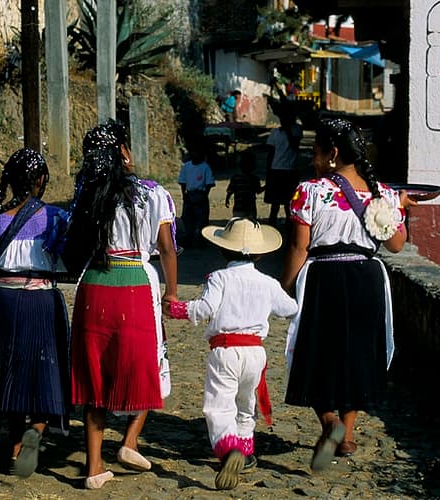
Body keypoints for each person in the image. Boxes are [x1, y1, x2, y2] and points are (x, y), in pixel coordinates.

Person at [281, 118, 416, 471]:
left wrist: (286, 286)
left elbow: (299, 247)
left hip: (324, 276)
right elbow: (397, 245)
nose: (312, 159)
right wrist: (399, 208)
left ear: (333, 154)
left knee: (317, 351)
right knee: (357, 351)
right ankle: (349, 433)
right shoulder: (383, 194)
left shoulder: (308, 191)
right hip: (367, 278)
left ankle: (330, 422)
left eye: (316, 152)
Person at [62, 120, 178, 490]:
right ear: (124, 154)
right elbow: (167, 248)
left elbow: (72, 251)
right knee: (145, 364)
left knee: (94, 376)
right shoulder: (152, 193)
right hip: (134, 284)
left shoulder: (88, 195)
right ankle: (129, 440)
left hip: (94, 285)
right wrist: (172, 292)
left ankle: (94, 466)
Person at [164, 217, 297, 490]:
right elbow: (291, 309)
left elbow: (204, 309)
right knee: (246, 403)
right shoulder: (268, 283)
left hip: (225, 350)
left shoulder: (219, 278)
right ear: (260, 253)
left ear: (222, 249)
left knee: (219, 405)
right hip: (255, 353)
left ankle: (228, 449)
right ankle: (246, 452)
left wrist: (176, 310)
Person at [0, 148, 71, 479]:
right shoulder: (56, 219)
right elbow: (69, 260)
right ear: (41, 180)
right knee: (45, 370)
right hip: (42, 299)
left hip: (4, 302)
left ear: (10, 181)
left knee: (10, 373)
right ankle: (37, 430)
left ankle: (14, 449)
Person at [264, 107, 303, 227]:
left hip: (288, 170)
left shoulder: (296, 130)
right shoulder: (275, 132)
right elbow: (271, 152)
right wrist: (268, 170)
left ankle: (289, 225)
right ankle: (273, 224)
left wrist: (287, 131)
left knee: (288, 203)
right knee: (275, 204)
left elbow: (294, 145)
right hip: (278, 169)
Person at [178, 148, 216, 247]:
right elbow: (182, 182)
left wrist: (204, 196)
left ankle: (202, 239)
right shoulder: (186, 167)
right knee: (188, 218)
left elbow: (209, 184)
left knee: (202, 219)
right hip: (189, 194)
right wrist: (184, 195)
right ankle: (189, 238)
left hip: (200, 194)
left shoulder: (205, 167)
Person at [225, 151, 264, 219]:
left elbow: (230, 191)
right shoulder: (254, 179)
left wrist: (227, 199)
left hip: (238, 209)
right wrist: (267, 186)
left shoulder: (235, 178)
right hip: (251, 209)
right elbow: (258, 190)